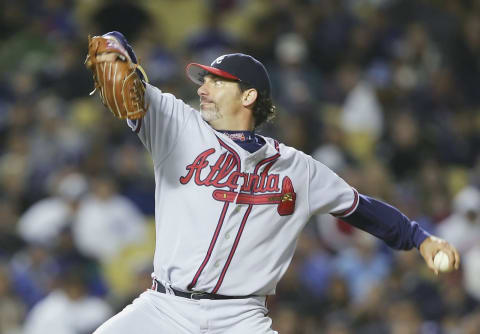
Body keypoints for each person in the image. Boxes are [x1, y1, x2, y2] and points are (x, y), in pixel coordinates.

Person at [90, 31, 460, 334]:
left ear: (248, 95)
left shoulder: (298, 168)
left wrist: (420, 238)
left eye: (216, 82)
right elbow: (127, 75)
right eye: (203, 81)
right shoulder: (176, 125)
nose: (203, 88)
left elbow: (360, 208)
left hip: (240, 319)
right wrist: (115, 44)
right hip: (164, 308)